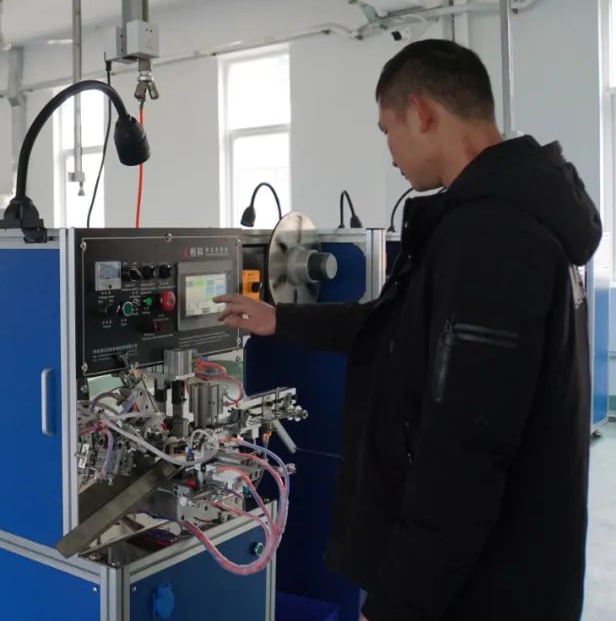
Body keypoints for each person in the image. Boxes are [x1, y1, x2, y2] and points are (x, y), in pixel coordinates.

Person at [215, 39, 600, 621]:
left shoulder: (492, 239)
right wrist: (279, 318)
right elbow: (394, 326)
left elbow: (465, 452)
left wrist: (396, 603)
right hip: (515, 567)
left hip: (486, 588)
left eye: (387, 129)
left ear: (421, 113)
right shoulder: (512, 220)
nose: (391, 152)